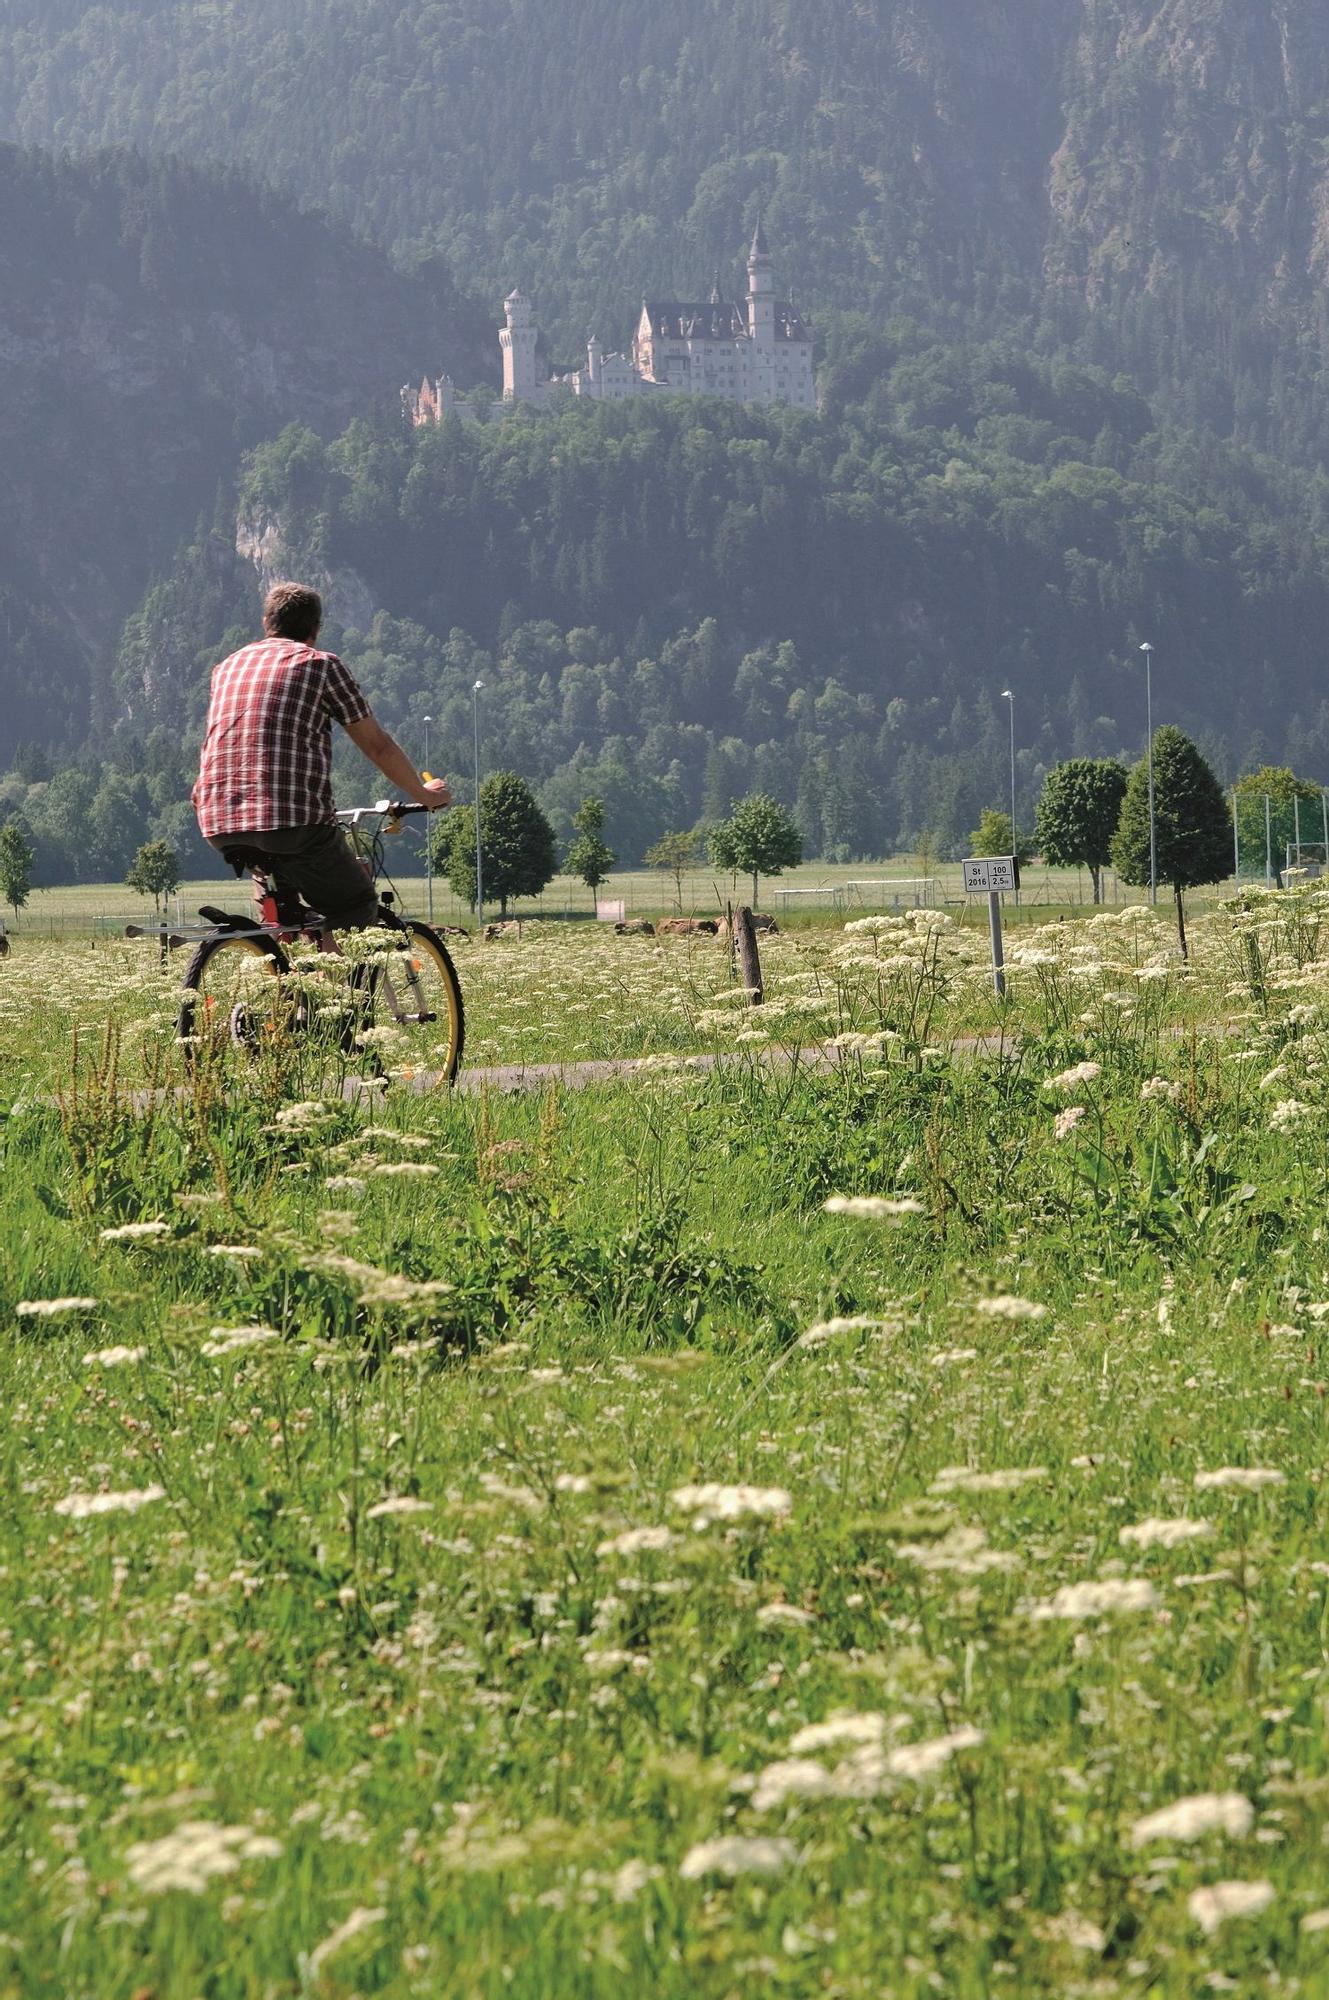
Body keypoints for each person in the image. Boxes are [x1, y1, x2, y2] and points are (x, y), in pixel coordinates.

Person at [192, 581, 448, 930]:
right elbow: (378, 745)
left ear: (267, 622)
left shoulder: (226, 667)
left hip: (217, 821)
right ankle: (329, 983)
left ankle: (282, 971)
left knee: (282, 907)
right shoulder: (320, 665)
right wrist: (423, 795)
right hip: (290, 822)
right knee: (355, 905)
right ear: (315, 628)